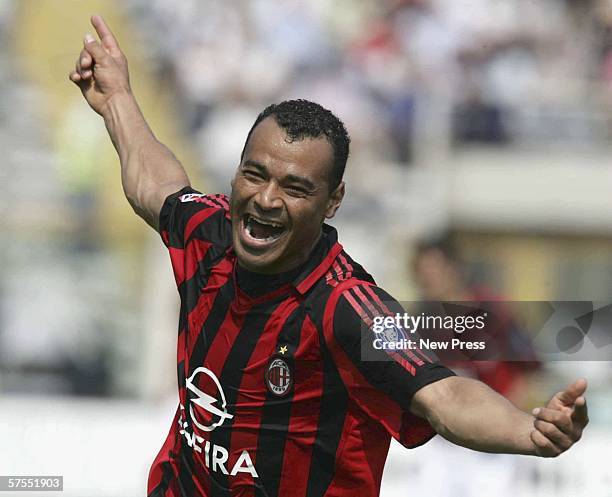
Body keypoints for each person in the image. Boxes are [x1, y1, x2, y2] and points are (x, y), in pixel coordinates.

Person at [69, 15, 589, 497]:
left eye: (295, 188)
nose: (267, 199)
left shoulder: (349, 307)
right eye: (256, 174)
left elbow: (444, 394)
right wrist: (117, 99)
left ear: (331, 201)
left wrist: (529, 429)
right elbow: (156, 187)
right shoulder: (208, 233)